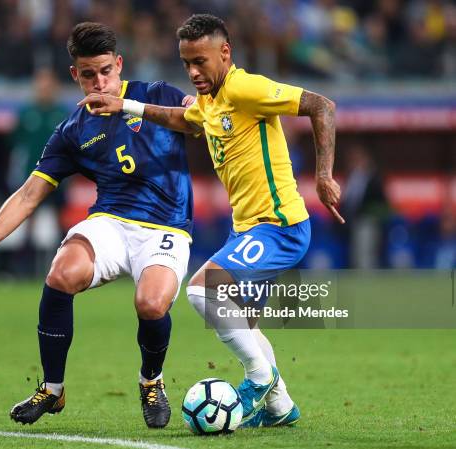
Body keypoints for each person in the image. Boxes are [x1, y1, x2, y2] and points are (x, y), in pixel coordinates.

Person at [78, 14, 344, 428]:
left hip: (279, 226)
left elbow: (321, 106)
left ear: (225, 53)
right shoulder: (210, 102)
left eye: (200, 61)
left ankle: (260, 378)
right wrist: (125, 104)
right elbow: (183, 120)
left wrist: (324, 175)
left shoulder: (244, 88)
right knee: (244, 320)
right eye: (186, 63)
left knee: (203, 291)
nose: (193, 72)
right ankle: (279, 407)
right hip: (250, 228)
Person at [0, 22, 195, 429]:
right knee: (62, 272)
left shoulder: (155, 94)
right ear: (74, 76)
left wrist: (128, 107)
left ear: (119, 64)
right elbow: (29, 194)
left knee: (151, 304)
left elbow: (198, 121)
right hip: (111, 222)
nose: (99, 82)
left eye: (105, 71)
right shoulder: (72, 130)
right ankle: (52, 389)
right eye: (88, 75)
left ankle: (151, 381)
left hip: (166, 226)